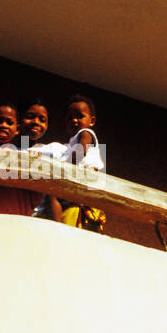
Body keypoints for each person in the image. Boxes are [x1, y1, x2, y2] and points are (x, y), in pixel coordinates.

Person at [54, 94, 106, 232]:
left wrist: (64, 168)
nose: (74, 120)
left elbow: (81, 150)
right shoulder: (69, 144)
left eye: (79, 116)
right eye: (69, 118)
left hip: (85, 185)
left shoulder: (85, 133)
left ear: (92, 120)